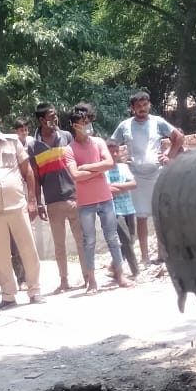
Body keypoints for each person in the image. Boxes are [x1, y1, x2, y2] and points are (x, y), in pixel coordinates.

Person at [0, 109, 43, 310]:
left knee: (28, 248)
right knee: (1, 254)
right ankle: (8, 296)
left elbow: (28, 172)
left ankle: (34, 290)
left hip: (18, 205)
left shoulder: (13, 142)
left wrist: (32, 201)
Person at [107, 91, 185, 266]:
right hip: (137, 176)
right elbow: (111, 144)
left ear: (149, 105)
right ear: (132, 108)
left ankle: (163, 254)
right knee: (141, 217)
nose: (142, 109)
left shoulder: (158, 122)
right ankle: (145, 257)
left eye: (145, 105)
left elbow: (179, 137)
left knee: (160, 215)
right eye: (138, 106)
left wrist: (169, 156)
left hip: (157, 174)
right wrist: (119, 160)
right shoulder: (125, 126)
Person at [65, 103, 133, 293]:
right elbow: (75, 176)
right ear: (75, 125)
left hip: (105, 197)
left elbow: (110, 163)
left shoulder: (99, 142)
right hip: (85, 202)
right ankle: (91, 281)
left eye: (89, 121)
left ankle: (121, 275)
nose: (88, 125)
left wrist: (87, 167)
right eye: (83, 122)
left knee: (113, 237)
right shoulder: (69, 150)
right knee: (89, 241)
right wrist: (98, 168)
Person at [28, 102, 84, 294]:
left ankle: (88, 276)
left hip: (74, 197)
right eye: (51, 116)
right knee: (59, 245)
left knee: (82, 240)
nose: (55, 119)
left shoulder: (66, 136)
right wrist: (38, 203)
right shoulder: (33, 146)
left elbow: (77, 164)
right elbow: (35, 177)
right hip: (52, 202)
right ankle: (64, 281)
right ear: (41, 120)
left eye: (55, 115)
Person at [106, 147, 140, 279]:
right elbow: (107, 190)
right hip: (114, 210)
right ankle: (135, 271)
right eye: (111, 151)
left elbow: (134, 184)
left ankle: (114, 266)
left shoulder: (123, 167)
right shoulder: (103, 170)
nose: (114, 154)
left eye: (116, 151)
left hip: (128, 208)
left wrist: (116, 186)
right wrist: (124, 186)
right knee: (126, 240)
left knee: (131, 239)